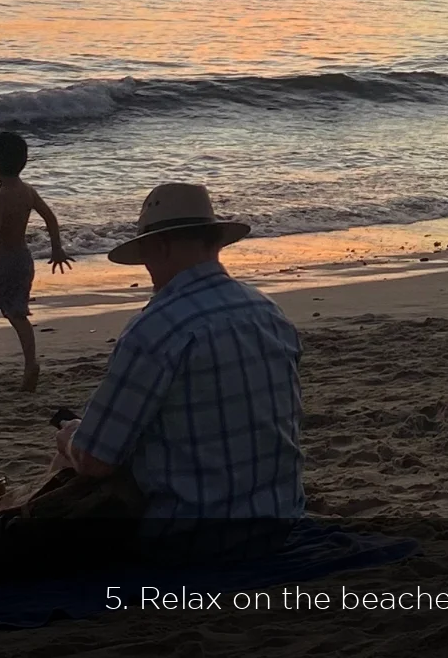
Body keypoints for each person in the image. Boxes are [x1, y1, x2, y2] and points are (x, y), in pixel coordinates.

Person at [54, 183, 304, 564]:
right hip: (278, 519)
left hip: (192, 535)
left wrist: (70, 437)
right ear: (213, 243)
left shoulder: (158, 328)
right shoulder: (267, 311)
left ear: (161, 247)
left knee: (73, 462)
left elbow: (96, 459)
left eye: (146, 256)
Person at [0, 132, 71, 391]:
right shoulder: (27, 192)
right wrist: (57, 249)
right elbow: (51, 218)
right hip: (22, 260)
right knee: (17, 313)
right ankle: (30, 363)